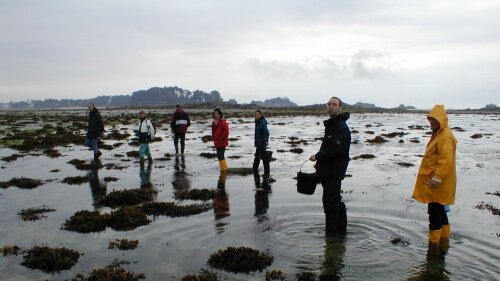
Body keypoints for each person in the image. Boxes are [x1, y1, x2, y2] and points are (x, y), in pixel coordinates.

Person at [412, 104, 457, 249]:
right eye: (430, 119)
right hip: (435, 182)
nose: (431, 122)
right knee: (441, 212)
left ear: (442, 120)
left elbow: (446, 160)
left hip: (438, 183)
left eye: (434, 120)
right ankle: (444, 241)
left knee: (435, 213)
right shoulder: (439, 134)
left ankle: (433, 246)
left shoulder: (445, 136)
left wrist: (438, 178)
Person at [309, 97, 351, 237]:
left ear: (340, 108)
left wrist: (318, 156)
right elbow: (329, 147)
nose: (331, 106)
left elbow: (339, 150)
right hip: (328, 171)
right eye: (329, 104)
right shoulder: (333, 125)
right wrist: (319, 164)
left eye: (334, 104)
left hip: (334, 172)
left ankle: (331, 239)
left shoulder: (341, 127)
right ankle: (341, 233)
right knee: (336, 202)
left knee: (330, 204)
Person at [252, 110, 271, 180]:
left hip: (262, 142)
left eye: (257, 114)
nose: (256, 115)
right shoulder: (257, 121)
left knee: (264, 158)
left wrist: (265, 140)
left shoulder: (262, 122)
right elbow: (257, 133)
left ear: (260, 115)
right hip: (258, 142)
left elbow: (266, 132)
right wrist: (256, 142)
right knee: (257, 156)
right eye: (255, 114)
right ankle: (254, 169)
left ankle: (267, 173)